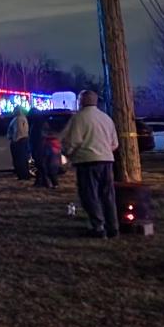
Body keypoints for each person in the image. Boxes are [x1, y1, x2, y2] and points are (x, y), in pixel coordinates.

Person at [60, 91, 120, 239]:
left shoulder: (79, 118)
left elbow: (72, 141)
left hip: (87, 161)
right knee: (107, 195)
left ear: (81, 101)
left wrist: (66, 153)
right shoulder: (106, 119)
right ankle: (113, 227)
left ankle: (98, 227)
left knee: (90, 195)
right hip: (106, 160)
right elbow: (115, 143)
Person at [8, 106, 32, 180]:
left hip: (19, 142)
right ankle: (24, 175)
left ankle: (22, 175)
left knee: (19, 160)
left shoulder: (18, 119)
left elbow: (18, 131)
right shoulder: (22, 118)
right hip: (22, 140)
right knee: (23, 159)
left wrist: (15, 140)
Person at [38, 122, 63, 189]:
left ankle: (54, 184)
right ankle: (53, 184)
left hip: (51, 157)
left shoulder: (49, 141)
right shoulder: (53, 140)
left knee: (51, 171)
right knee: (50, 171)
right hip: (51, 156)